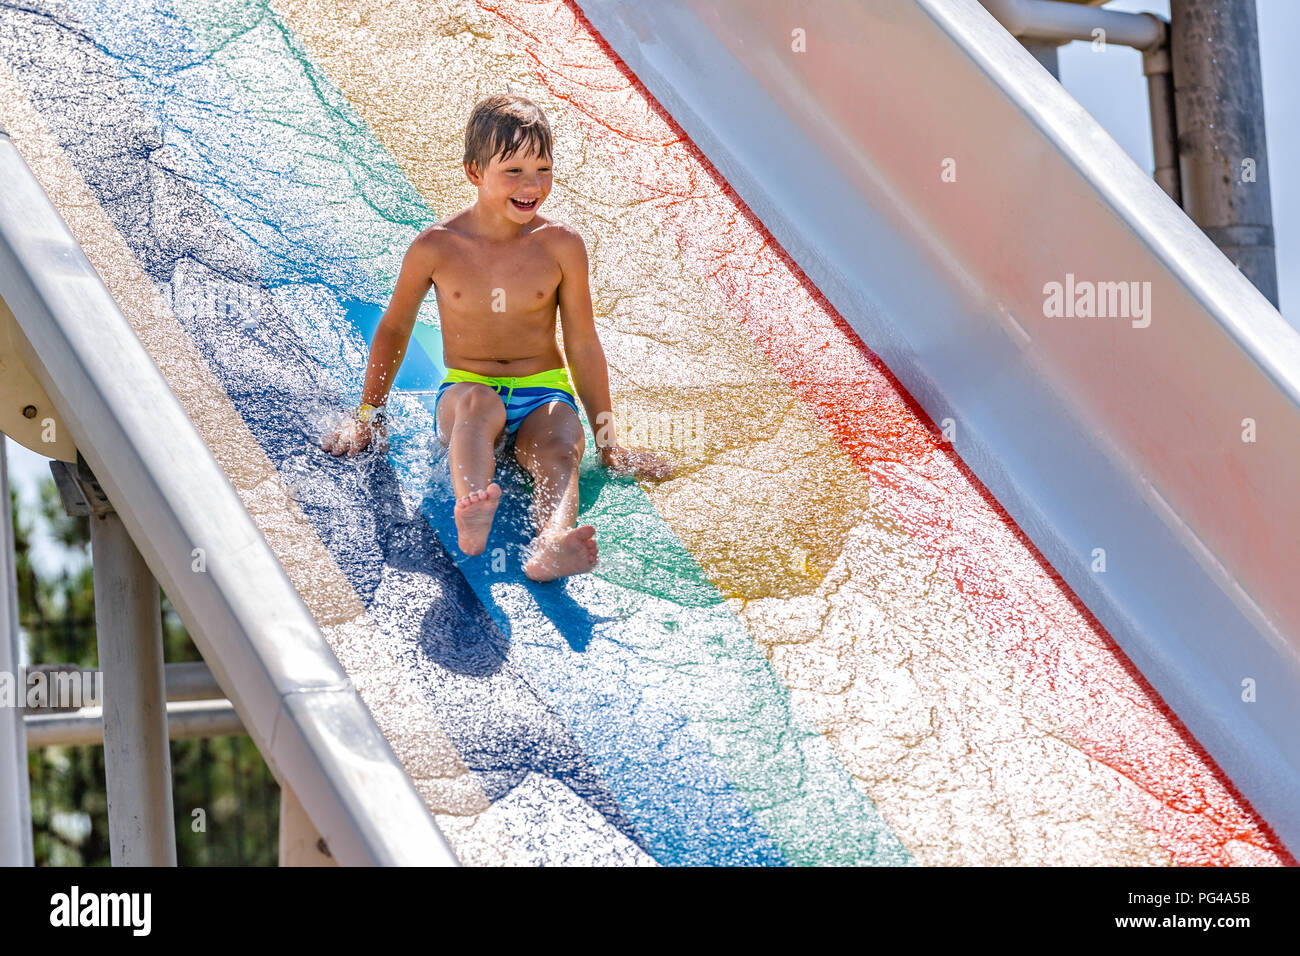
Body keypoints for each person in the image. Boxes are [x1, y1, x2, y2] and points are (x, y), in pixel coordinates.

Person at [322, 93, 672, 580]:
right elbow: (395, 327)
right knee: (477, 410)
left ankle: (552, 540)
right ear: (474, 172)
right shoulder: (438, 247)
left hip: (544, 387)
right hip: (470, 383)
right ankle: (473, 508)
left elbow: (583, 345)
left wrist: (607, 441)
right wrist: (369, 414)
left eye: (543, 169)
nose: (532, 186)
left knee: (558, 450)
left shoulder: (560, 246)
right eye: (514, 171)